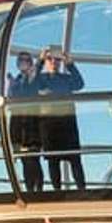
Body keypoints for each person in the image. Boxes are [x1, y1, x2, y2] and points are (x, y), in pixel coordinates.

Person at [29, 47, 87, 191]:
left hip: (67, 124)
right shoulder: (40, 79)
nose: (54, 61)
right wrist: (40, 61)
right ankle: (57, 191)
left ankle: (82, 190)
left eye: (57, 59)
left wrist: (70, 64)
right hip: (48, 125)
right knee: (53, 161)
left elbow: (79, 84)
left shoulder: (66, 78)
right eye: (50, 59)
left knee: (75, 159)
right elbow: (31, 84)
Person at [6, 52, 44, 193]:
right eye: (21, 61)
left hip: (32, 126)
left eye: (27, 61)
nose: (24, 63)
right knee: (24, 161)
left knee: (33, 159)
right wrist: (10, 85)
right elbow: (10, 102)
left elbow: (34, 78)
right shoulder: (16, 81)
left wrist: (40, 60)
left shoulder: (33, 78)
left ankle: (38, 190)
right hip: (18, 126)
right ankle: (30, 190)